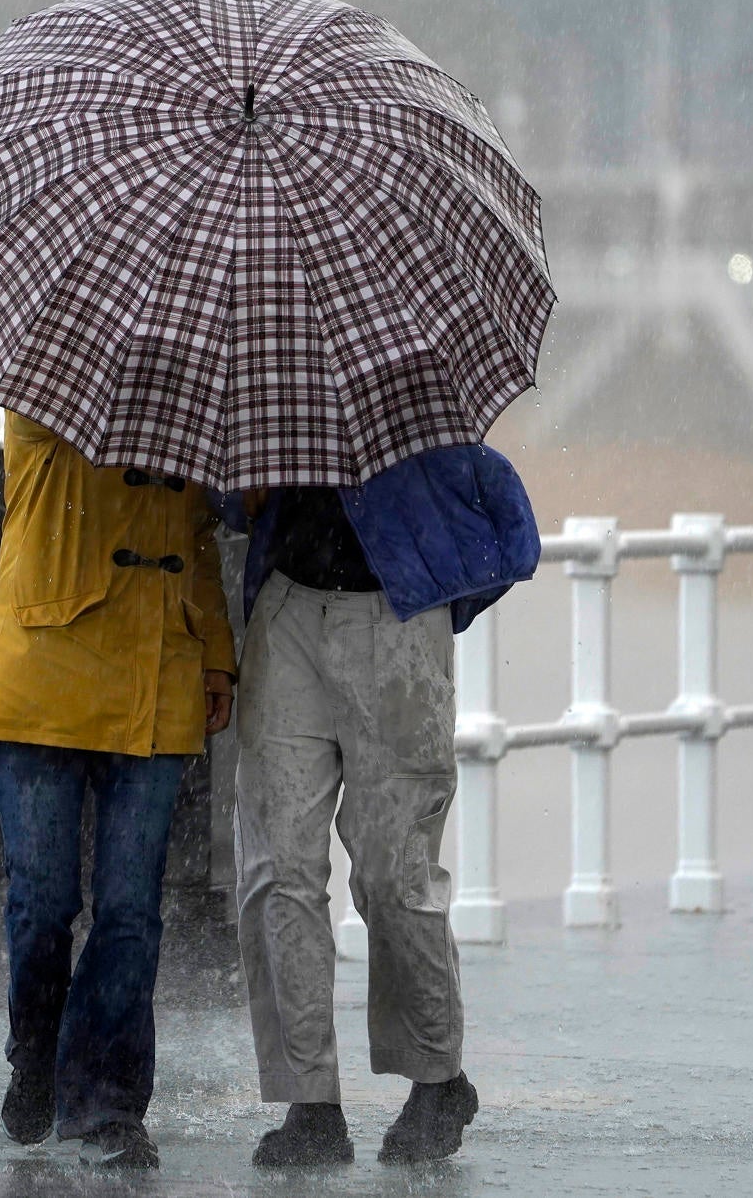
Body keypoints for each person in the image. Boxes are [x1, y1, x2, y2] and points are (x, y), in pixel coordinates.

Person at [227, 444, 540, 1167]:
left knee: (392, 876)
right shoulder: (271, 388)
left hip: (398, 619)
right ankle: (310, 1103)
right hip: (286, 610)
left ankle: (437, 1075)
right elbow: (226, 504)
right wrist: (241, 496)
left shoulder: (408, 382)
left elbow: (512, 529)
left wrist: (435, 590)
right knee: (277, 868)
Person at [0, 409, 236, 1170]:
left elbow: (197, 542)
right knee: (44, 901)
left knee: (131, 910)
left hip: (157, 675)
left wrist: (215, 651)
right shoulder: (51, 393)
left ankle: (108, 1105)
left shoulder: (199, 406)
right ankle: (37, 1052)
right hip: (43, 677)